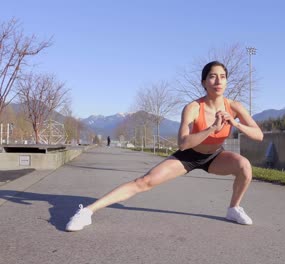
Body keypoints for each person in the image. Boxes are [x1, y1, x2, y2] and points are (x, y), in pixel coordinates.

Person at [66, 61, 264, 231]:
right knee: (145, 182)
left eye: (222, 76)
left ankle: (233, 209)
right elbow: (183, 143)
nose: (218, 81)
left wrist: (235, 123)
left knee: (244, 166)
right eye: (213, 76)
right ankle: (87, 211)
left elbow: (259, 135)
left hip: (215, 157)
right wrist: (212, 128)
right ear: (204, 82)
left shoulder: (235, 106)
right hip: (189, 156)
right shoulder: (194, 108)